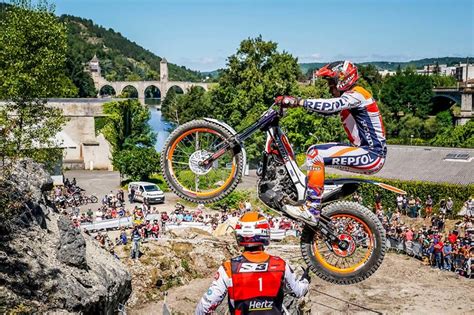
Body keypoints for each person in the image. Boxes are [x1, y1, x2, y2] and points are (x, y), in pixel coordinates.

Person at [275, 61, 386, 224]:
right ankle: (313, 192)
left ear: (342, 80)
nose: (329, 88)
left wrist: (298, 101)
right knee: (313, 153)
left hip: (371, 154)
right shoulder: (351, 98)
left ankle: (311, 210)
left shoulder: (358, 94)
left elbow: (331, 105)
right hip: (363, 151)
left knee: (315, 154)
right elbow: (325, 110)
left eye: (330, 83)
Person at [195, 212, 310, 314]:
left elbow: (206, 305)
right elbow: (298, 291)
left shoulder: (228, 267)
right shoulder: (280, 264)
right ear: (266, 233)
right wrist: (305, 279)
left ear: (239, 235)